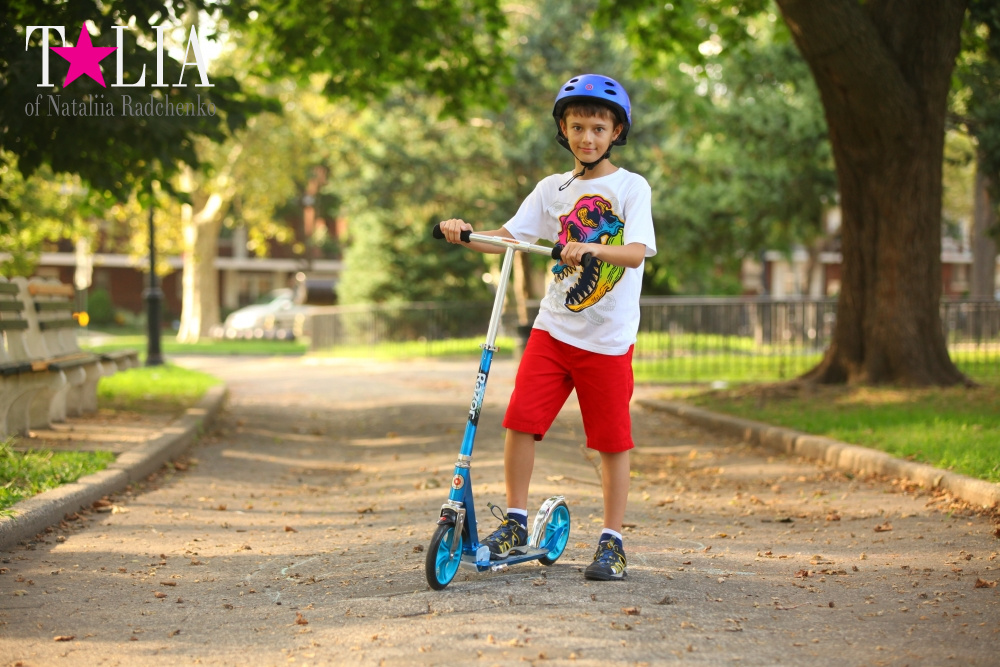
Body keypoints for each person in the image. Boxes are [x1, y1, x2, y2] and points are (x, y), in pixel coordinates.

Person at [438, 73, 656, 581]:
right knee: (519, 420)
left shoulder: (630, 187)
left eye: (599, 128)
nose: (587, 137)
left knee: (610, 441)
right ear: (564, 128)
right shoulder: (550, 189)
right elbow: (508, 238)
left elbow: (635, 253)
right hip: (553, 331)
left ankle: (612, 541)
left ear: (615, 133)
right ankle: (515, 521)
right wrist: (465, 234)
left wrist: (593, 248)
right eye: (578, 127)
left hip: (606, 341)